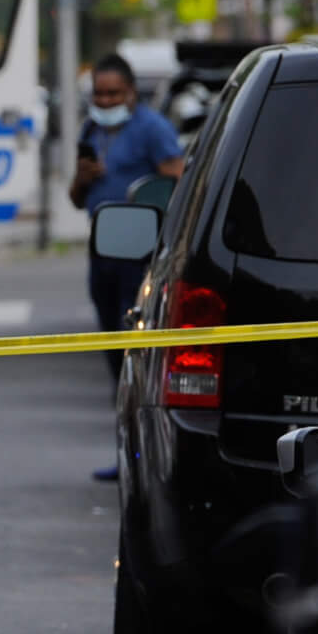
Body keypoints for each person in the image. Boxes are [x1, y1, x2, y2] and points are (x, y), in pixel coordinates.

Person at [70, 52, 185, 477]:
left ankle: (141, 458)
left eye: (114, 93)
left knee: (136, 355)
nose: (106, 100)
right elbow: (76, 197)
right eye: (99, 93)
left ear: (132, 93)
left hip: (138, 254)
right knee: (114, 354)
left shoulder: (152, 130)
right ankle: (126, 453)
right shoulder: (91, 130)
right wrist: (83, 178)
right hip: (103, 252)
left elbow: (177, 181)